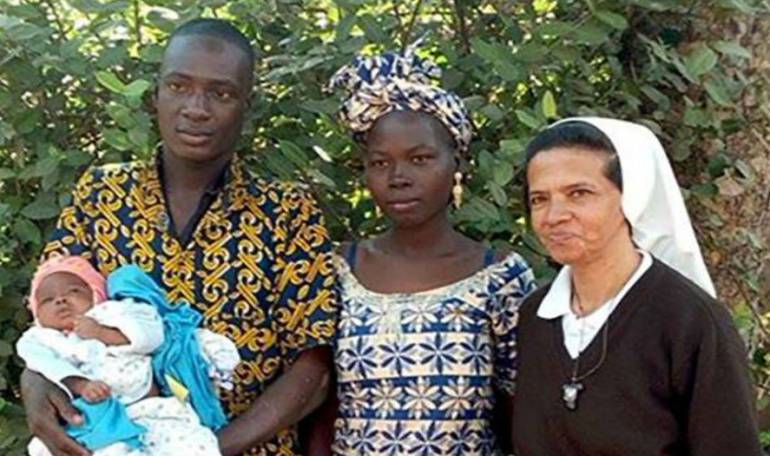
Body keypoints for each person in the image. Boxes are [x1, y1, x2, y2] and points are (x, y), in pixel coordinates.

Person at [21, 18, 337, 456]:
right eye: (178, 87)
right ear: (155, 96)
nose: (196, 108)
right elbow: (48, 312)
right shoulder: (101, 195)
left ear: (247, 105)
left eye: (221, 93)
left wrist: (206, 449)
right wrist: (35, 383)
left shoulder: (288, 212)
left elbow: (314, 370)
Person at [311, 41, 536, 455]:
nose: (398, 177)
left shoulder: (500, 276)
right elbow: (319, 404)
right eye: (380, 163)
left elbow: (520, 412)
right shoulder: (340, 269)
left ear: (456, 164)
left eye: (420, 159)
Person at [512, 117, 762, 455]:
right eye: (540, 199)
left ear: (631, 198)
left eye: (579, 193)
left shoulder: (691, 322)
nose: (554, 215)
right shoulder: (534, 317)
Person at [18, 255, 238, 456]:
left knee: (191, 443)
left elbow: (152, 336)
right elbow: (44, 364)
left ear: (95, 295)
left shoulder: (112, 313)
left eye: (73, 291)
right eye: (47, 300)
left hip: (147, 408)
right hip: (92, 419)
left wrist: (102, 332)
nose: (60, 300)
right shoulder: (39, 339)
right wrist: (81, 385)